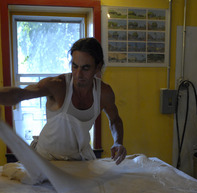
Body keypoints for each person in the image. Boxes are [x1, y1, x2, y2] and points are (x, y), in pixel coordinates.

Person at [0, 37, 127, 165]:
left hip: (79, 159)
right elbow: (20, 95)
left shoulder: (104, 93)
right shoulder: (58, 86)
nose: (78, 74)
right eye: (74, 66)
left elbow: (115, 120)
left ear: (97, 67)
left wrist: (118, 142)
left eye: (85, 68)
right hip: (45, 158)